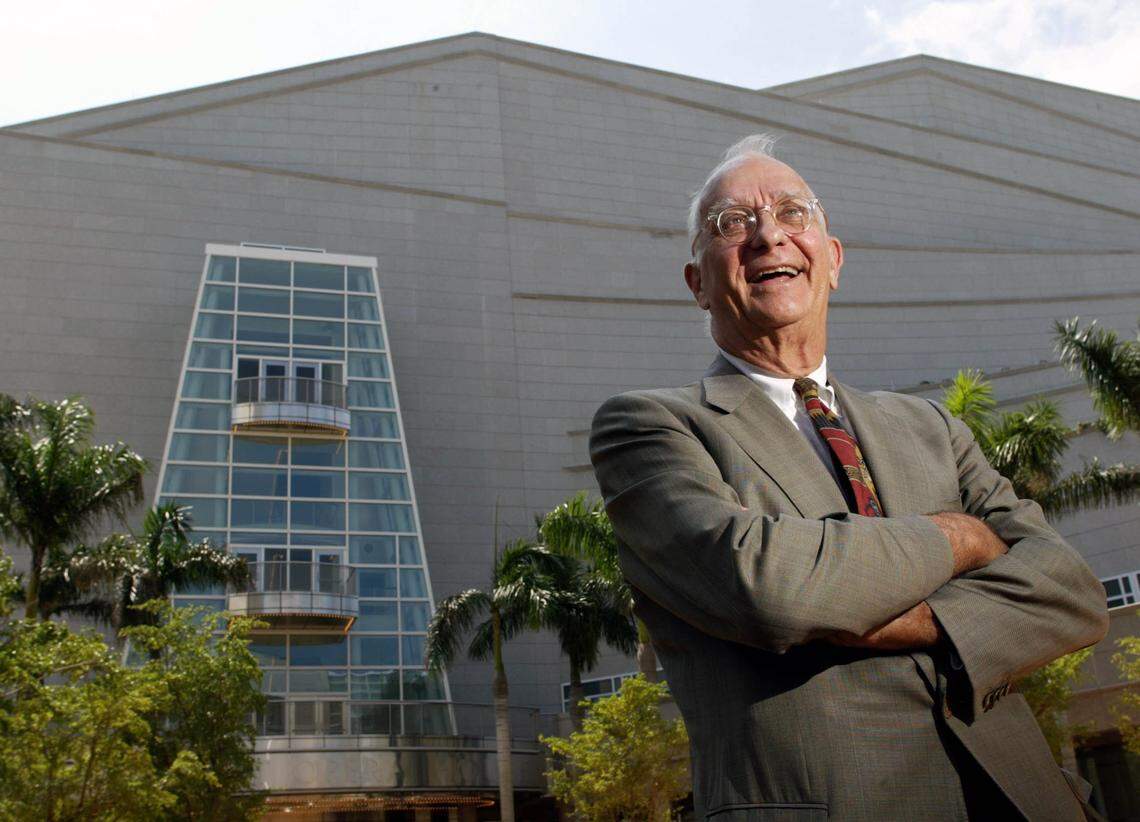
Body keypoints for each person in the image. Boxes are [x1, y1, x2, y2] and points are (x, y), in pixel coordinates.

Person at [589, 134, 1108, 821]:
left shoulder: (931, 428)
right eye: (731, 223)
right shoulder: (650, 428)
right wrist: (961, 539)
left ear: (831, 262)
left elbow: (1071, 593)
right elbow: (767, 586)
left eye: (793, 213)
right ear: (698, 284)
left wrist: (925, 621)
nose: (768, 235)